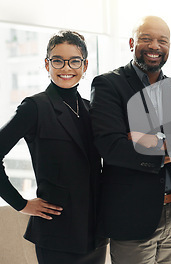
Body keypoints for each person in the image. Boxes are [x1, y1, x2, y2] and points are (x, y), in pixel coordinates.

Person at [90, 16, 171, 264]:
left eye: (162, 41)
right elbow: (112, 147)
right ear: (131, 43)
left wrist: (150, 140)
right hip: (131, 216)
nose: (154, 46)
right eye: (146, 39)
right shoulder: (109, 85)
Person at [0, 30, 107, 264]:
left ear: (85, 65)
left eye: (74, 61)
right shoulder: (34, 107)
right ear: (47, 64)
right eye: (57, 60)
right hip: (58, 235)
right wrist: (21, 204)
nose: (66, 68)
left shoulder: (92, 110)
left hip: (96, 234)